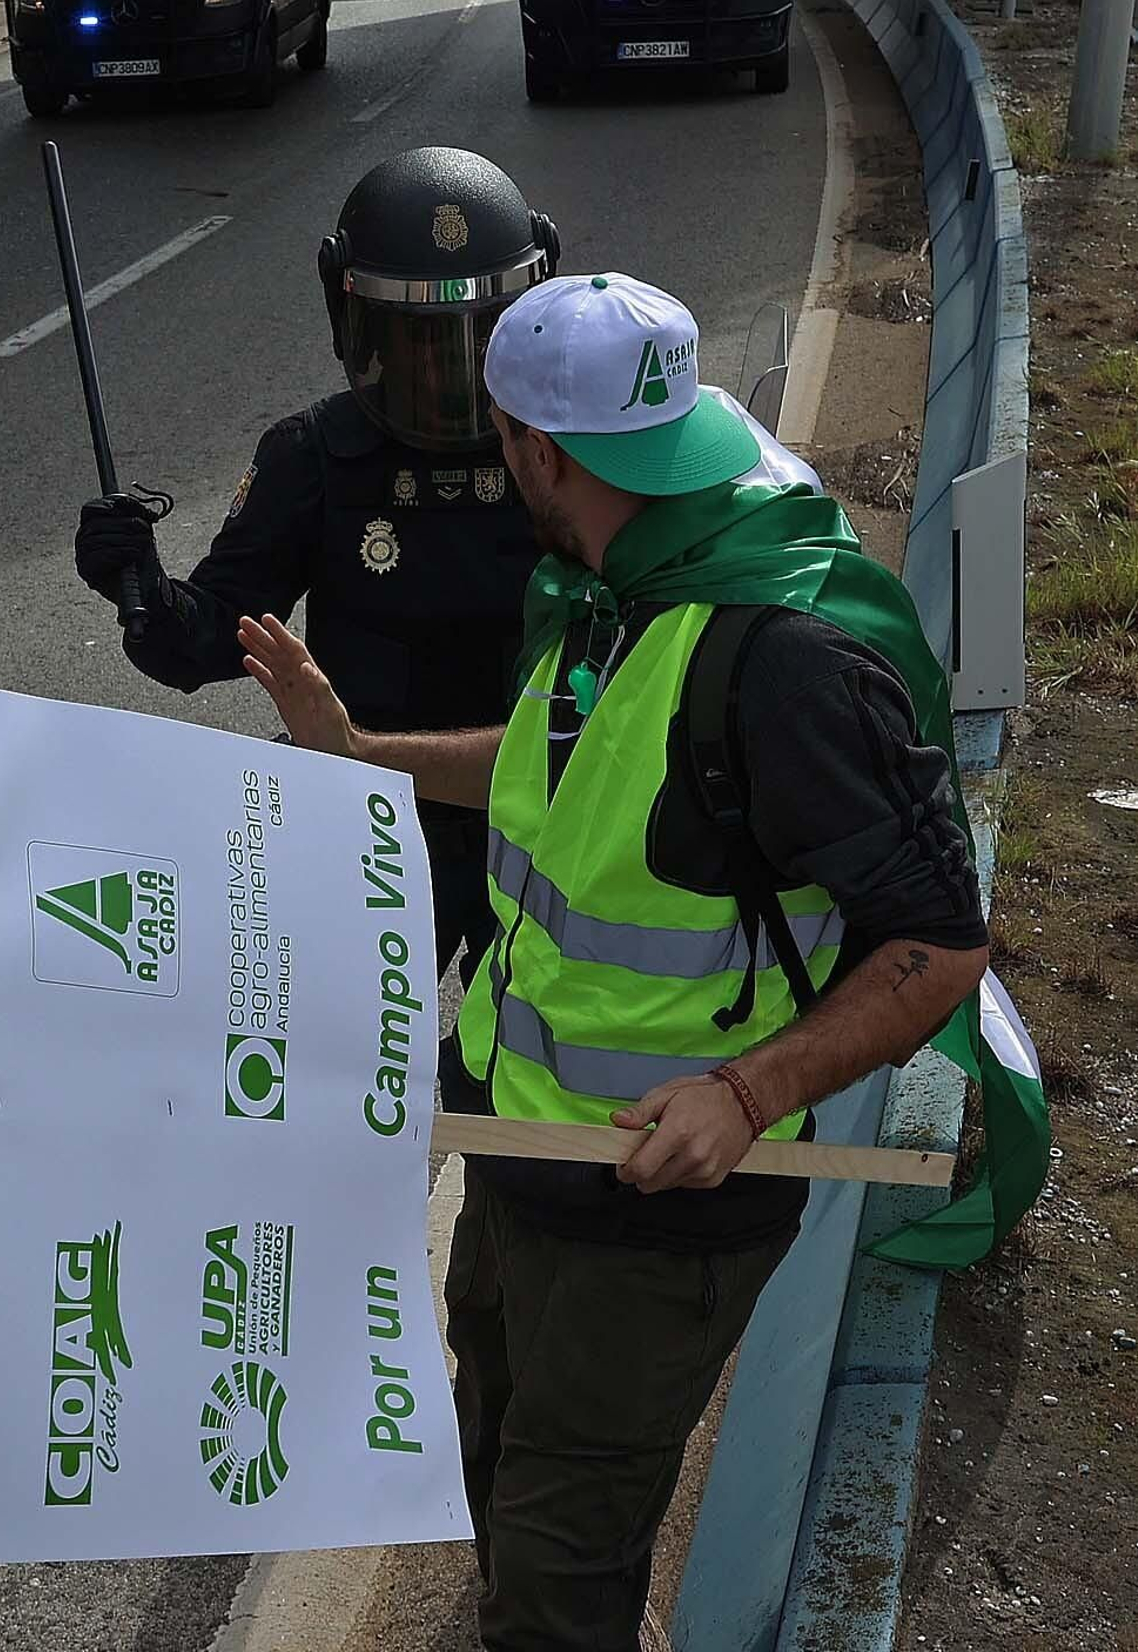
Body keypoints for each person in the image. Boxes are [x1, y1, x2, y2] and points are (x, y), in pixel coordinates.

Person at [241, 270, 990, 1652]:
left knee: (557, 1555)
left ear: (537, 451)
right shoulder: (613, 581)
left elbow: (940, 943)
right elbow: (550, 774)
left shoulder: (782, 659)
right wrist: (357, 756)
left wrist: (748, 1093)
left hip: (664, 1212)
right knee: (501, 1453)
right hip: (525, 1157)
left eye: (501, 441)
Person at [75, 148, 562, 985]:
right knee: (328, 1067)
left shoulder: (561, 446)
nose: (449, 370)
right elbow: (210, 639)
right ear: (352, 321)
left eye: (478, 335)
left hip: (534, 809)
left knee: (517, 1075)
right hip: (361, 817)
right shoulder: (316, 457)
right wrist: (141, 588)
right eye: (418, 340)